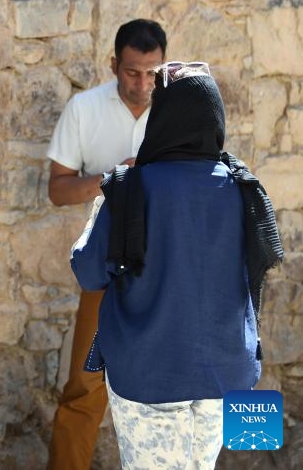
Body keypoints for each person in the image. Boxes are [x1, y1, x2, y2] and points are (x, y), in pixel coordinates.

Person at [70, 62, 283, 468]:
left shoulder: (131, 188)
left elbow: (90, 271)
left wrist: (101, 209)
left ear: (162, 118)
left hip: (150, 371)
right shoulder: (244, 188)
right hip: (225, 373)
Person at [46, 19, 167, 469]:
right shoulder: (84, 108)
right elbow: (58, 190)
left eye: (153, 73)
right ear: (114, 64)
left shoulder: (179, 111)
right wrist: (112, 178)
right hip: (105, 268)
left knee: (166, 392)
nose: (143, 83)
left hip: (164, 272)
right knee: (85, 387)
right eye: (133, 72)